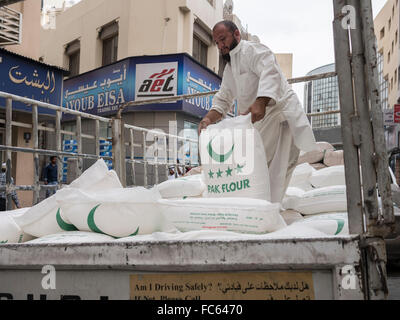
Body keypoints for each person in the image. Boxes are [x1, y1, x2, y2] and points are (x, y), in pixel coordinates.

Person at [198, 21, 317, 203]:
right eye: (217, 43)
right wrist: (207, 119)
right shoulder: (230, 68)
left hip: (280, 113)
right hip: (260, 120)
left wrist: (261, 100)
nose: (221, 46)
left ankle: (269, 207)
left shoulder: (253, 51)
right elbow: (223, 98)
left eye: (223, 39)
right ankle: (262, 206)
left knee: (281, 165)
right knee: (259, 166)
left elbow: (270, 72)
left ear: (237, 34)